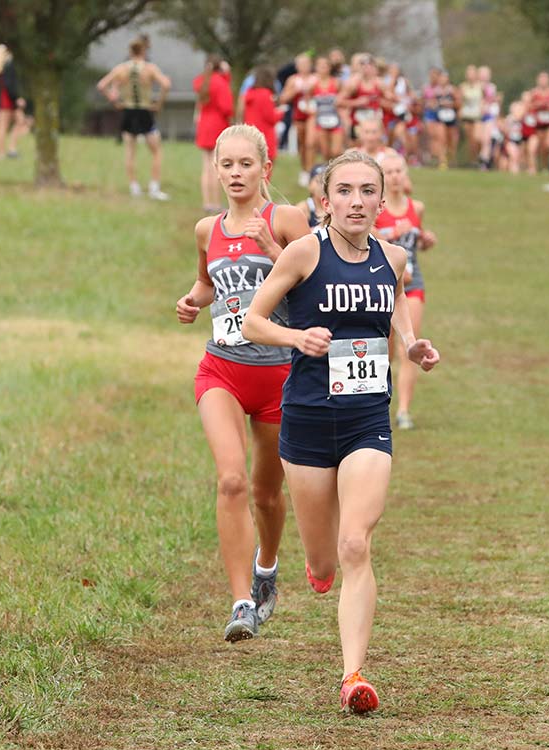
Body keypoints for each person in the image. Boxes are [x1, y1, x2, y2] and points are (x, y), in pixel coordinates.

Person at [242, 150, 440, 713]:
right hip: (306, 420)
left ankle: (353, 676)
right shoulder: (306, 252)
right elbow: (254, 319)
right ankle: (315, 566)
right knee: (326, 561)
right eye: (345, 191)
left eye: (367, 191)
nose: (357, 201)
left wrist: (411, 344)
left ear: (383, 200)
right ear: (325, 201)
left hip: (366, 420)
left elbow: (396, 307)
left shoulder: (395, 257)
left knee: (357, 543)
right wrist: (296, 338)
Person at [175, 124, 310, 642]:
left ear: (265, 170)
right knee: (229, 480)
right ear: (216, 169)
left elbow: (312, 279)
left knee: (267, 495)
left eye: (245, 165)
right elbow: (210, 282)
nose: (235, 173)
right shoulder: (206, 230)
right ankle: (240, 604)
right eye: (226, 164)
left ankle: (267, 569)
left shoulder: (286, 218)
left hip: (279, 375)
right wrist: (192, 301)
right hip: (222, 368)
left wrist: (272, 247)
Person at [372, 154, 435, 429]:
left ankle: (404, 410)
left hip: (413, 282)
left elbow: (418, 240)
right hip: (381, 282)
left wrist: (426, 239)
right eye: (390, 171)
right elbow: (369, 242)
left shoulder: (415, 207)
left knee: (410, 344)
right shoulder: (374, 209)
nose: (396, 176)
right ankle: (377, 401)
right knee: (383, 348)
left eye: (399, 171)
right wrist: (391, 235)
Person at [95, 36, 171, 200]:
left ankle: (134, 187)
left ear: (130, 51)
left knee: (130, 152)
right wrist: (159, 103)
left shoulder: (121, 69)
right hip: (144, 111)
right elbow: (166, 84)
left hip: (128, 111)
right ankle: (154, 188)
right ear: (144, 50)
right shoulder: (150, 68)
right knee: (156, 151)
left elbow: (101, 85)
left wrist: (114, 100)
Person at [193, 56, 234, 213]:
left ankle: (207, 202)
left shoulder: (202, 81)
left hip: (204, 124)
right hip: (217, 125)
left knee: (206, 166)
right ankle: (216, 203)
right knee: (217, 166)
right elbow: (227, 108)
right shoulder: (220, 83)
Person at [279, 54, 316, 186]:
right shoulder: (293, 80)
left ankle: (311, 171)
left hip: (312, 114)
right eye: (301, 64)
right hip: (298, 115)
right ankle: (304, 169)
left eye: (306, 64)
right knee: (302, 145)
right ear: (297, 66)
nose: (304, 67)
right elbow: (283, 98)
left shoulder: (315, 79)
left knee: (310, 144)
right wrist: (295, 91)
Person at [0, 44, 27, 160]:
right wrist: (17, 98)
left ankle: (10, 149)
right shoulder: (8, 65)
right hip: (7, 99)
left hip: (1, 99)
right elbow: (10, 85)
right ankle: (4, 152)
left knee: (18, 122)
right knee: (6, 125)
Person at [243, 66, 285, 162]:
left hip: (250, 133)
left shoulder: (250, 93)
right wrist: (281, 112)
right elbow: (271, 118)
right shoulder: (265, 94)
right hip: (265, 135)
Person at [308, 56, 344, 161]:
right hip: (320, 120)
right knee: (325, 153)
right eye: (320, 66)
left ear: (329, 68)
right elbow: (307, 100)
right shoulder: (313, 84)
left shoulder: (337, 83)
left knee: (336, 151)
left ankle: (338, 170)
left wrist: (341, 103)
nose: (323, 68)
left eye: (325, 66)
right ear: (316, 68)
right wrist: (311, 109)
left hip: (335, 119)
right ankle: (328, 174)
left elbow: (344, 98)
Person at [459, 65, 484, 167]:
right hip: (466, 116)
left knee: (477, 138)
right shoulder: (463, 86)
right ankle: (472, 161)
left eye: (472, 73)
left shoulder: (481, 86)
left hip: (477, 116)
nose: (470, 76)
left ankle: (478, 157)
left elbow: (484, 99)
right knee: (470, 140)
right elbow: (460, 101)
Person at [295, 162, 326, 228]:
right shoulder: (303, 208)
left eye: (325, 181)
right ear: (309, 185)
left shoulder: (334, 208)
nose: (321, 185)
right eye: (318, 181)